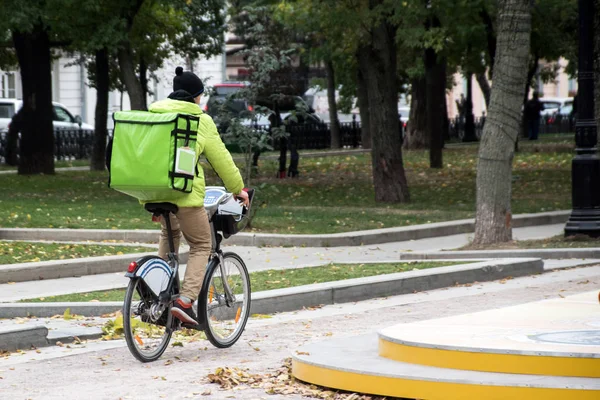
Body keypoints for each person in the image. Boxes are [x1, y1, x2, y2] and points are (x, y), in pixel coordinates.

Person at [148, 66, 249, 325]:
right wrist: (239, 189)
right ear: (195, 97)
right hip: (186, 196)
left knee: (169, 235)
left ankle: (158, 297)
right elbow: (222, 160)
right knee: (202, 244)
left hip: (156, 191)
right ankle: (185, 301)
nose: (201, 101)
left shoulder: (154, 113)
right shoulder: (200, 120)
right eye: (200, 97)